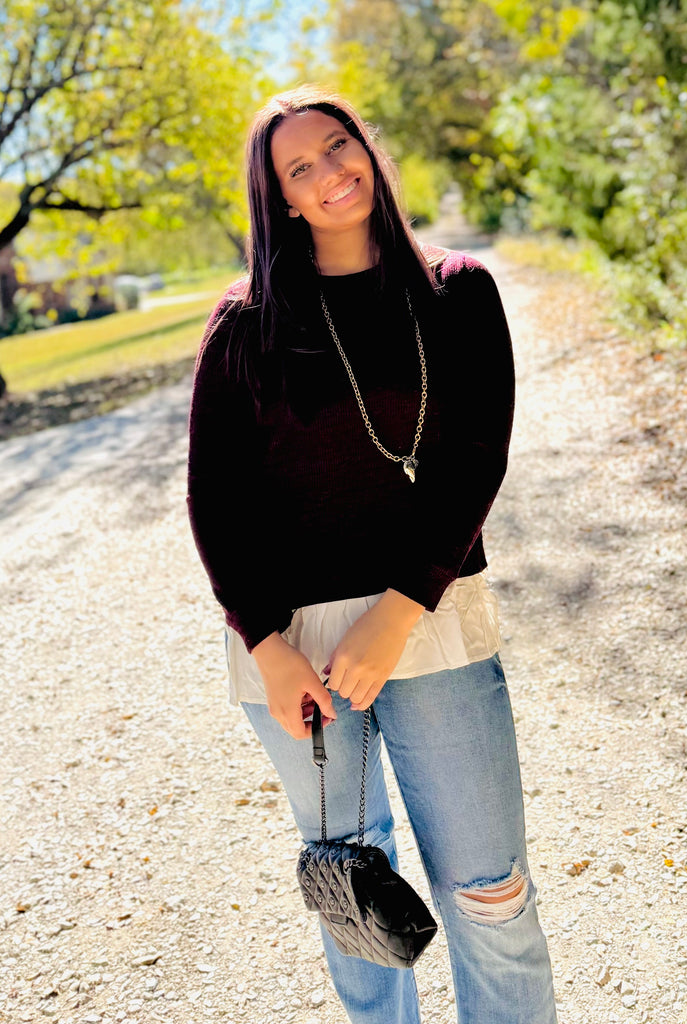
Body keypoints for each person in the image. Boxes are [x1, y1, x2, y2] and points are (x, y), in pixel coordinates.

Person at [186, 84, 558, 1024]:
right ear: (280, 198)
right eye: (298, 167)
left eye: (337, 145)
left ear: (368, 148)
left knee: (490, 890)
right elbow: (214, 499)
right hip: (292, 651)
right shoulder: (246, 322)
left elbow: (476, 461)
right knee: (354, 900)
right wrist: (264, 643)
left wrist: (398, 610)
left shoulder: (458, 292)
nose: (328, 172)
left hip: (427, 620)